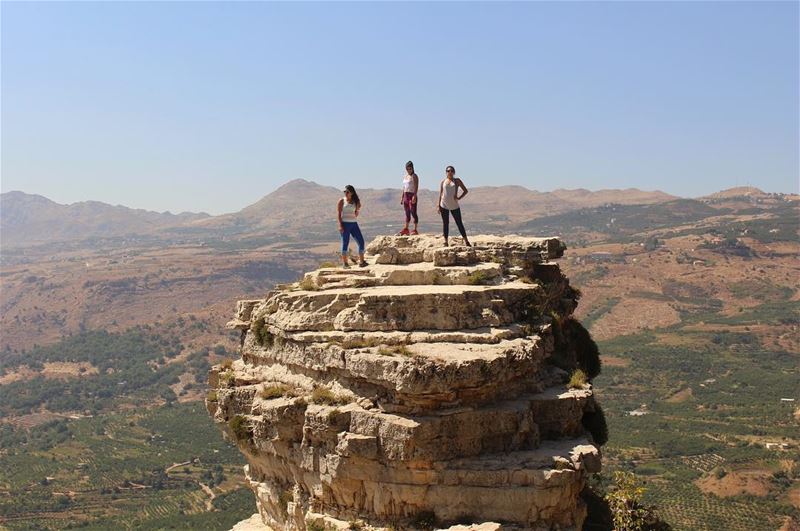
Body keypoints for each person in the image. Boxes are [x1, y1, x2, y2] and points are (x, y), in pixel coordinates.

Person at [437, 165, 471, 247]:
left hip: (454, 205)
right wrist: (438, 205)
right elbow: (441, 194)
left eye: (451, 171)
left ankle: (466, 241)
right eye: (448, 171)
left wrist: (459, 197)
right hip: (443, 205)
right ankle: (445, 241)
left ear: (454, 172)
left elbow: (465, 191)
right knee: (445, 223)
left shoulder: (457, 181)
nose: (450, 172)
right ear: (446, 172)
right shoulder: (443, 182)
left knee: (459, 223)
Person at [337, 185, 367, 268]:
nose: (345, 193)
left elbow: (357, 212)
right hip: (345, 224)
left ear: (352, 193)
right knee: (345, 243)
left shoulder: (355, 201)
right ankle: (345, 264)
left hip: (354, 224)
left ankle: (362, 261)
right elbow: (339, 214)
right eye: (344, 192)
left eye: (347, 192)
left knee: (361, 242)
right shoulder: (341, 201)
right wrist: (340, 225)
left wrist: (355, 212)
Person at [398, 161, 419, 235]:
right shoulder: (405, 176)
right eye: (407, 169)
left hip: (412, 194)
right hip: (406, 195)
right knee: (407, 212)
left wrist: (414, 196)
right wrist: (402, 197)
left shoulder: (414, 176)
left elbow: (416, 186)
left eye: (410, 168)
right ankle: (406, 228)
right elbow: (404, 187)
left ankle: (415, 229)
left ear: (412, 168)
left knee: (413, 211)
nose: (408, 170)